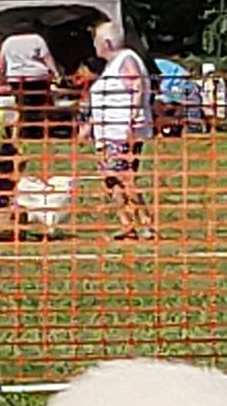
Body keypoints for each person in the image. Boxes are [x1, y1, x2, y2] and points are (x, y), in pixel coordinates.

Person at [79, 21, 155, 241]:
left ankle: (145, 223)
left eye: (96, 41)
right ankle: (127, 224)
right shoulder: (111, 66)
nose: (94, 46)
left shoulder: (126, 60)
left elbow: (136, 86)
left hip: (122, 132)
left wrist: (133, 114)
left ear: (108, 43)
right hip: (107, 133)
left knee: (124, 177)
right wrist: (90, 125)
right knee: (110, 180)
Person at [1, 29, 61, 139]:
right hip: (37, 76)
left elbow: (3, 60)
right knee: (44, 107)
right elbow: (46, 57)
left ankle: (15, 136)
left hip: (16, 77)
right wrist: (55, 72)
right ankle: (46, 135)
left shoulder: (8, 41)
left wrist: (5, 75)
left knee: (20, 108)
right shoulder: (36, 39)